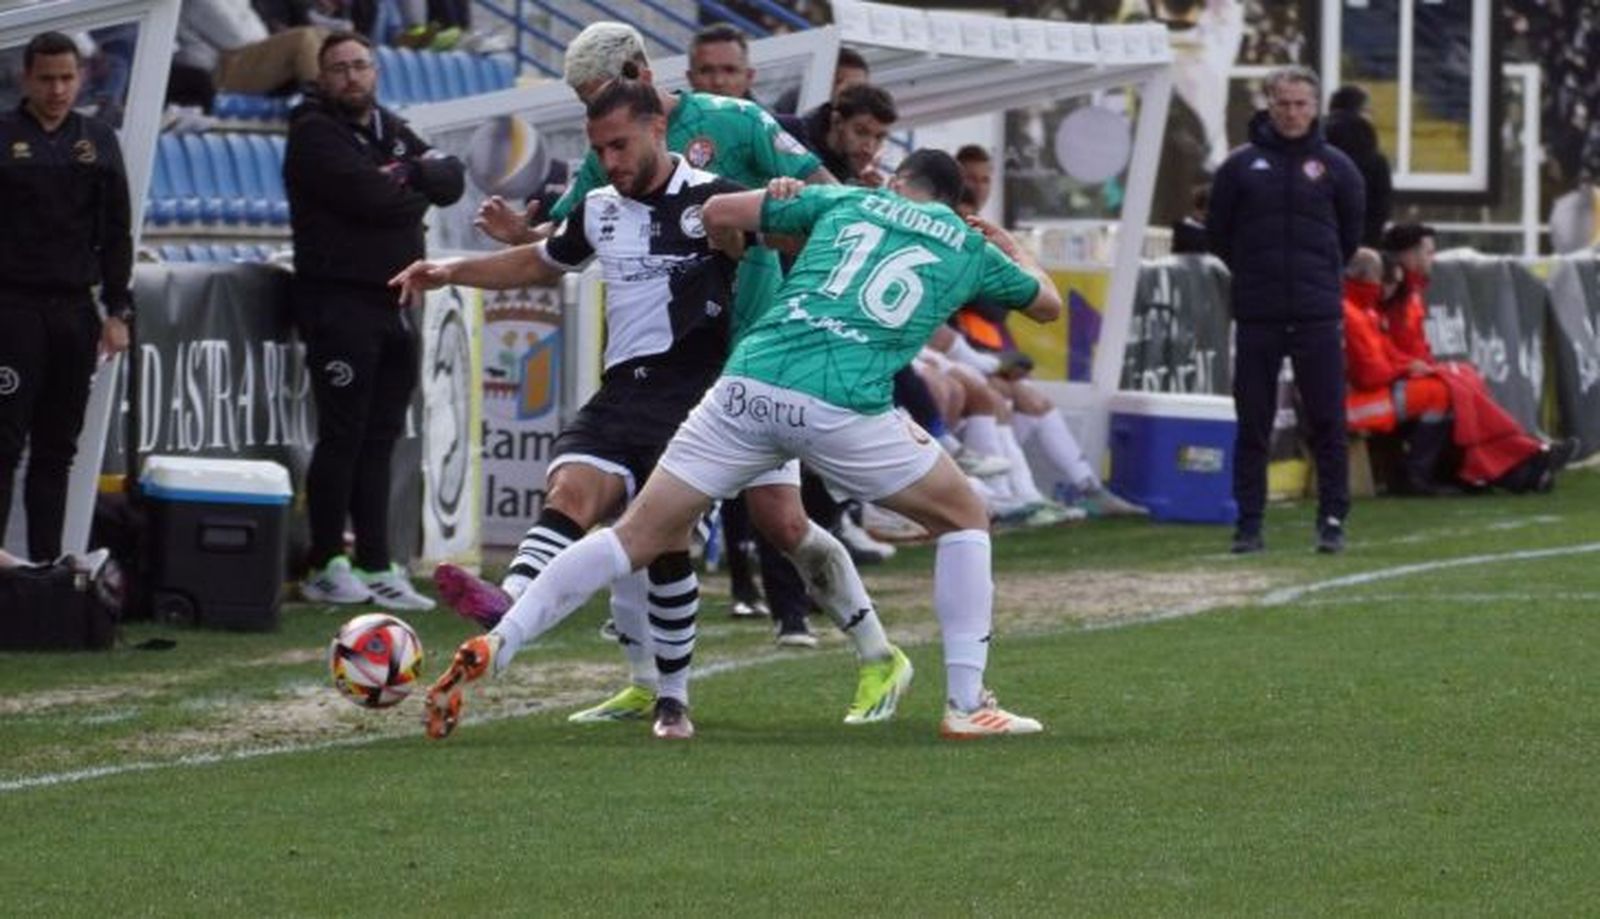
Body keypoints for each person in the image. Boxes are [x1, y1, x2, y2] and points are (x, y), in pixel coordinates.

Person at [410, 149, 1060, 741]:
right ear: (957, 206)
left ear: (895, 184)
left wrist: (771, 208)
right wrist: (1010, 246)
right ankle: (967, 701)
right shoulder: (971, 247)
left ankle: (502, 639)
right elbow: (1048, 306)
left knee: (631, 537)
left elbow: (717, 210)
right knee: (964, 516)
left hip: (747, 381)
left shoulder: (848, 200)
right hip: (842, 401)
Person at [394, 80, 913, 740]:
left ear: (657, 131)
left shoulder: (715, 198)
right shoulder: (600, 207)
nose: (609, 161)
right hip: (628, 389)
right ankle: (559, 629)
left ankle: (874, 652)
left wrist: (801, 207)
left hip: (723, 386)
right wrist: (447, 270)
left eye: (619, 144)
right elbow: (541, 262)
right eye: (598, 148)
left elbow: (799, 237)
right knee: (581, 492)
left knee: (760, 525)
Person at [458, 21, 854, 660]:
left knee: (780, 519)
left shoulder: (738, 122)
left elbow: (826, 199)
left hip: (759, 342)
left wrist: (786, 213)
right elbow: (572, 240)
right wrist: (518, 237)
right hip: (678, 361)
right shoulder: (605, 149)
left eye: (601, 94)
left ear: (641, 73)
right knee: (647, 517)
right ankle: (645, 679)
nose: (598, 122)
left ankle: (857, 634)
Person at [284, 30, 463, 609]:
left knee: (380, 438)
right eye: (339, 68)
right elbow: (371, 198)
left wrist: (403, 179)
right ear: (322, 76)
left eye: (360, 65)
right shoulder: (312, 132)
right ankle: (325, 562)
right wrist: (412, 181)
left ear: (376, 71)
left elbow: (451, 178)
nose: (351, 77)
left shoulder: (388, 126)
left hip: (394, 302)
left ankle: (377, 562)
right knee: (342, 435)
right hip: (338, 302)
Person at [1208, 65, 1364, 554]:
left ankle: (1332, 519)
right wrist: (1257, 275)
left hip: (1318, 313)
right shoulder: (1239, 167)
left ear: (1315, 108)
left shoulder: (1339, 168)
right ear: (1269, 106)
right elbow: (1220, 234)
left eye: (1301, 104)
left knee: (1327, 421)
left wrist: (1318, 279)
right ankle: (1249, 523)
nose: (1292, 113)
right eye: (1283, 103)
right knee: (1252, 420)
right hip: (1258, 313)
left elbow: (1351, 234)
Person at [0, 32, 132, 564]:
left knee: (58, 447)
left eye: (67, 78)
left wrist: (118, 310)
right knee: (4, 445)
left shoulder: (98, 140)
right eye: (47, 78)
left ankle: (47, 569)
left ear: (81, 77)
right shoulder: (3, 136)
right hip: (11, 309)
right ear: (24, 79)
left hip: (77, 311)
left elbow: (117, 233)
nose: (58, 90)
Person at [1342, 249, 1576, 494]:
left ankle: (1522, 467)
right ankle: (1422, 475)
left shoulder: (1365, 311)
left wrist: (1414, 367)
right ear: (1369, 277)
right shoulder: (1356, 312)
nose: (1383, 286)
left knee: (1459, 383)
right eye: (1380, 278)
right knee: (1445, 393)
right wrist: (1409, 368)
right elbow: (1369, 374)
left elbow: (1388, 357)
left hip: (1375, 392)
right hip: (1355, 403)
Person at [1324, 85, 1393, 248]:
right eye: (1369, 112)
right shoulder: (1374, 159)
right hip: (1359, 248)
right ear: (1360, 112)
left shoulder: (1312, 149)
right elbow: (1380, 209)